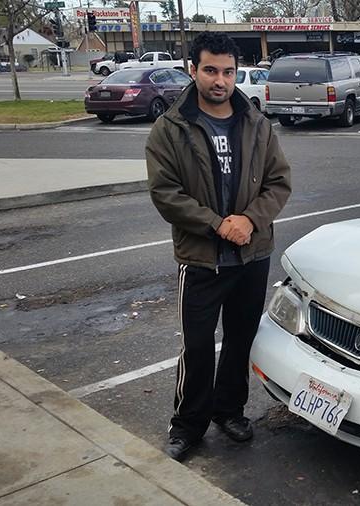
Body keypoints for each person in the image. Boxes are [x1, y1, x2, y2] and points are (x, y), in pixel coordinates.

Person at [145, 31, 291, 461]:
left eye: (228, 72)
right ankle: (187, 426)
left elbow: (278, 182)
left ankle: (230, 411)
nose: (220, 80)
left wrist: (249, 220)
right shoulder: (170, 128)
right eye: (210, 70)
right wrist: (217, 225)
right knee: (196, 345)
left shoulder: (257, 123)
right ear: (193, 70)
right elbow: (165, 192)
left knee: (240, 338)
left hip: (252, 253)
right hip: (202, 258)